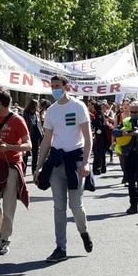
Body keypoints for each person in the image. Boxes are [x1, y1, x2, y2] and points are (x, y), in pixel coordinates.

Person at [35, 75, 93, 263]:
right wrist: (37, 166)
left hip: (75, 162)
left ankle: (83, 232)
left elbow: (88, 137)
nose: (55, 90)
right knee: (59, 207)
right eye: (52, 87)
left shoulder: (78, 107)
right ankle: (61, 247)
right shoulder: (51, 111)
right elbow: (46, 140)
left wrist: (85, 162)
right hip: (56, 162)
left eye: (58, 86)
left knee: (75, 206)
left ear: (67, 87)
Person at [0, 90, 31, 255]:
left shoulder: (18, 120)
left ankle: (5, 239)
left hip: (12, 166)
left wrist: (9, 147)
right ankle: (5, 226)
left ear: (0, 103)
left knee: (9, 206)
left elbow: (29, 145)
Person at [112, 100, 138, 214]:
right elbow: (114, 131)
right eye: (132, 111)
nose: (133, 113)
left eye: (135, 111)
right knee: (130, 181)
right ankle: (133, 205)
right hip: (128, 153)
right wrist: (123, 133)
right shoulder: (126, 121)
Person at [22, 99, 44, 175]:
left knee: (35, 154)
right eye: (37, 105)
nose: (38, 106)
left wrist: (42, 135)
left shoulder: (37, 114)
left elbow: (39, 125)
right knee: (26, 154)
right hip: (28, 136)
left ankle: (33, 169)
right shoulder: (25, 113)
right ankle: (23, 170)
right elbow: (24, 125)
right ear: (34, 105)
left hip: (36, 136)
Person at [90, 101, 110, 176]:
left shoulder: (98, 115)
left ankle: (97, 169)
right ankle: (103, 168)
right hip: (102, 137)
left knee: (98, 153)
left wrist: (95, 134)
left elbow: (99, 127)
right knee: (101, 153)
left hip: (100, 138)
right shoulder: (101, 114)